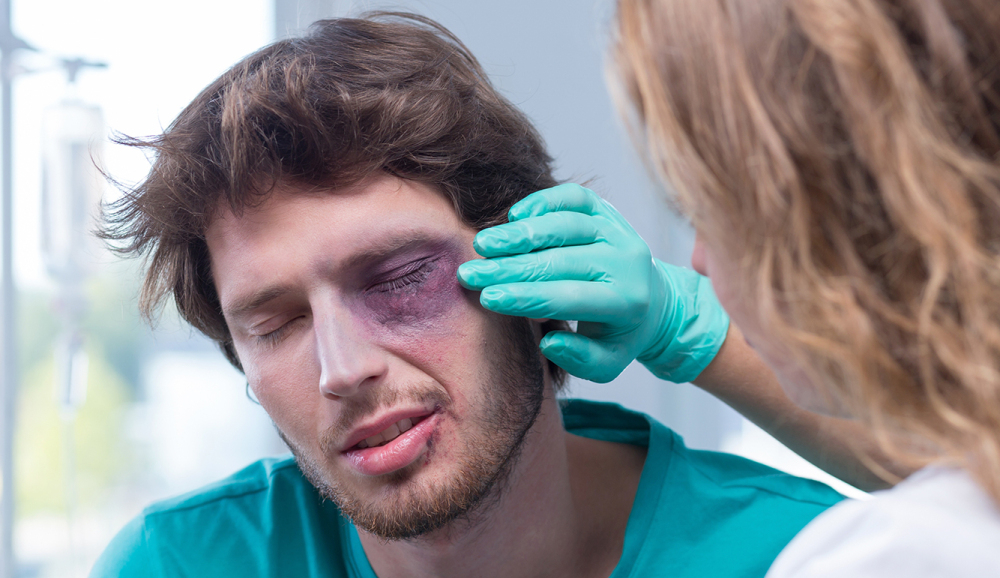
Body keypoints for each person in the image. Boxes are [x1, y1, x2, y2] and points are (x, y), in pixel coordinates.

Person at [90, 12, 859, 578]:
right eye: (276, 324)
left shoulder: (803, 558)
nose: (342, 370)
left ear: (538, 269)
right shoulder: (176, 565)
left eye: (398, 278)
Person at [464, 0, 1000, 575]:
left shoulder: (886, 557)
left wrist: (687, 324)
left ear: (844, 200)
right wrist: (684, 328)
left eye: (709, 208)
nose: (698, 262)